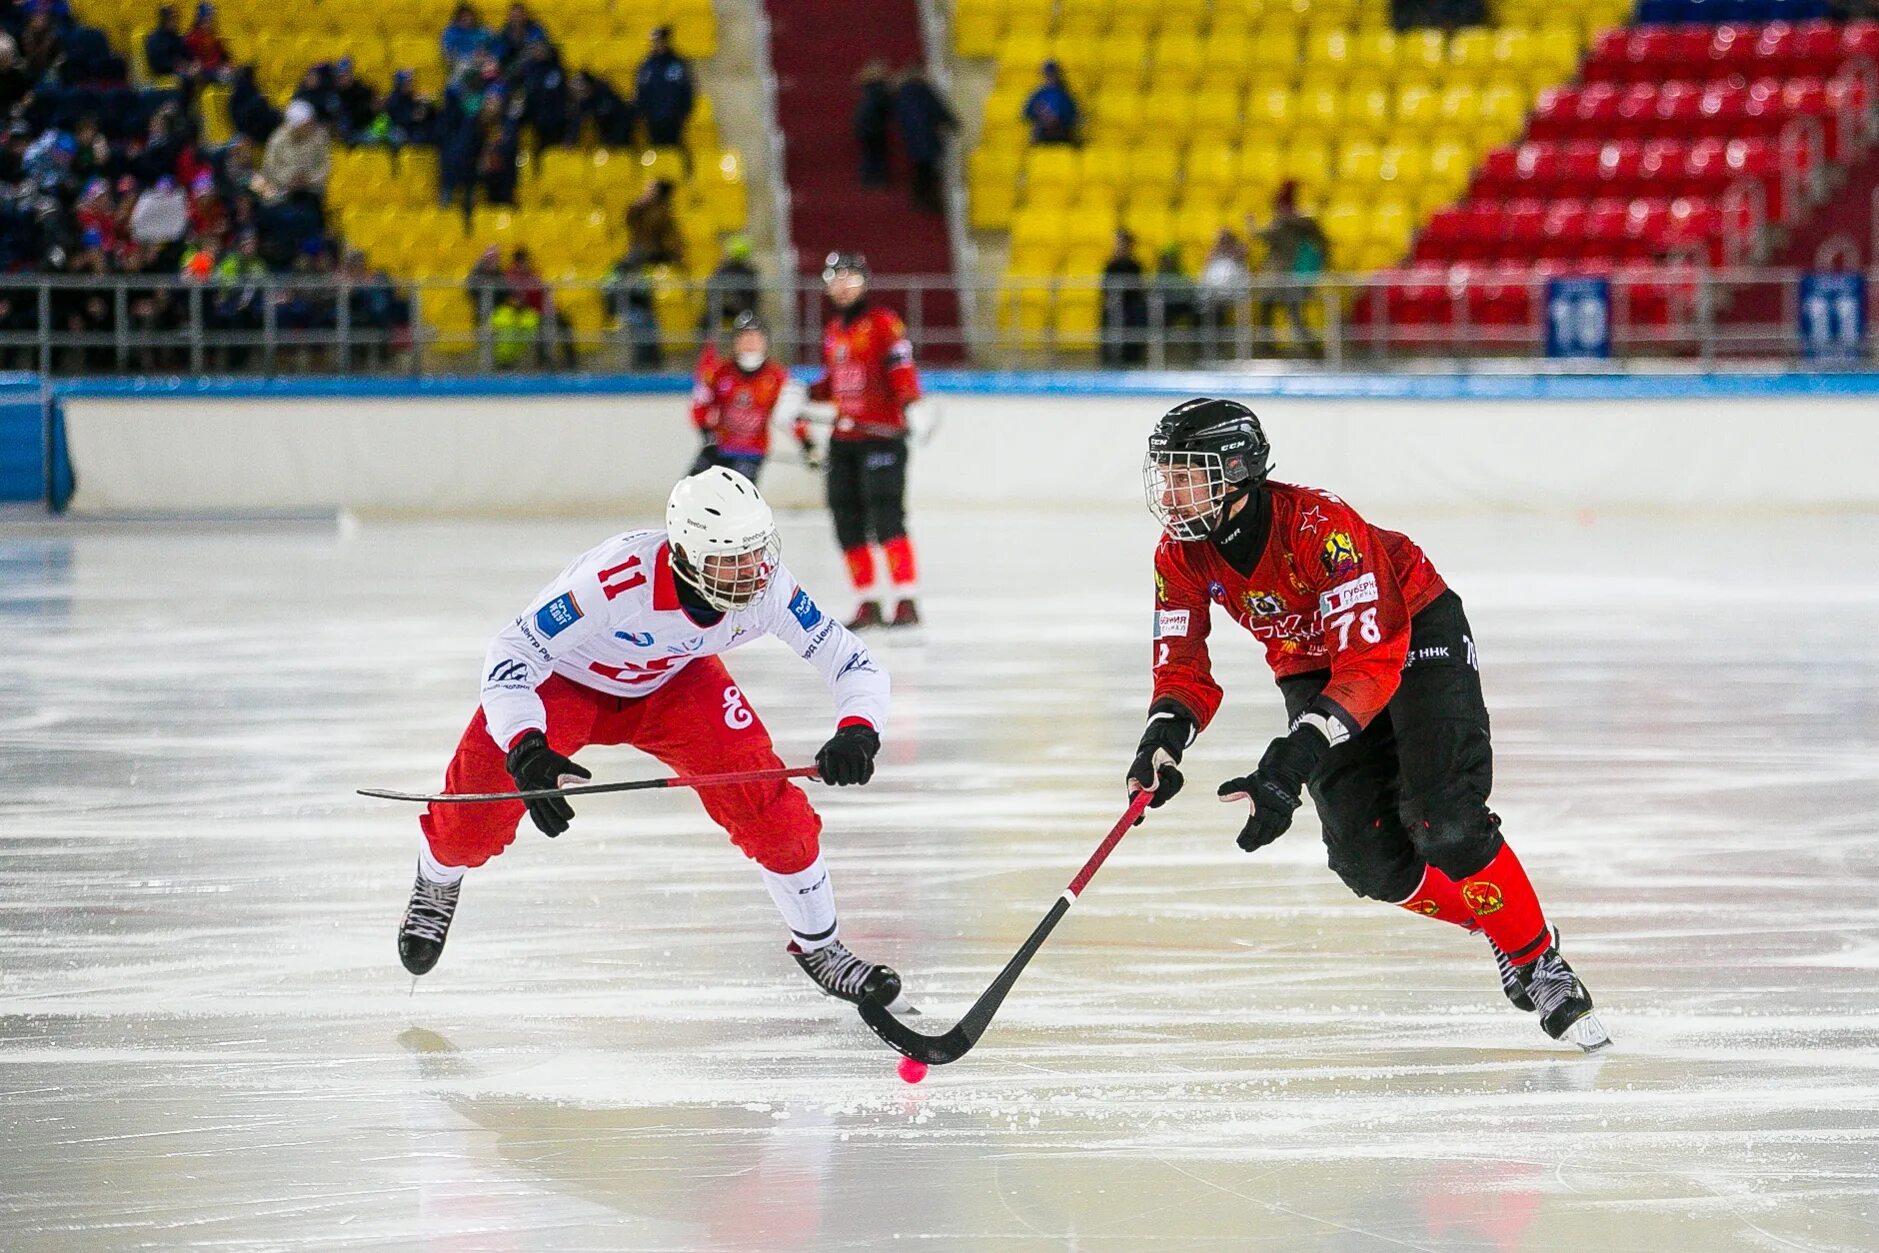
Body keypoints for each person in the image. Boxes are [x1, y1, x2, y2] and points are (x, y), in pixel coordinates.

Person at [1127, 398, 1610, 1052]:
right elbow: (1182, 663)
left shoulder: (1319, 526)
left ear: (1235, 472)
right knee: (1368, 861)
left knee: (1445, 819)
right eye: (1165, 474)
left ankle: (1535, 959)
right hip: (1313, 661)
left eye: (1185, 474)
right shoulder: (1178, 555)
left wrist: (1297, 752)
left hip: (1408, 631)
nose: (1169, 490)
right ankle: (1502, 925)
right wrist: (1162, 737)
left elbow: (1368, 659)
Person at [396, 467, 912, 1015]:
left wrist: (858, 729)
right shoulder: (613, 581)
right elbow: (511, 654)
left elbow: (851, 661)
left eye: (757, 552)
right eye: (729, 560)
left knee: (770, 811)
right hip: (564, 684)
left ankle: (821, 947)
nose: (751, 574)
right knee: (470, 825)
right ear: (685, 556)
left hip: (673, 682)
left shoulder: (768, 586)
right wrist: (525, 745)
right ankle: (437, 877)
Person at [807, 252, 923, 629]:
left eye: (850, 277)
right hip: (844, 439)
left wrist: (908, 401)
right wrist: (805, 397)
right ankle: (866, 601)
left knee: (887, 514)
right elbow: (833, 383)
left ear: (865, 282)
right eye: (834, 278)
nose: (842, 285)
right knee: (846, 519)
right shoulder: (833, 333)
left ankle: (905, 598)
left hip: (882, 437)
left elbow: (900, 369)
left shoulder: (884, 324)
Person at [689, 312, 812, 484]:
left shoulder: (777, 376)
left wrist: (807, 444)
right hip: (719, 448)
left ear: (765, 341)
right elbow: (701, 403)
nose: (750, 342)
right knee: (690, 490)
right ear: (735, 342)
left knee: (736, 501)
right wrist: (706, 432)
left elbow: (789, 415)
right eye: (744, 337)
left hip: (752, 452)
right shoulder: (720, 372)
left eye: (756, 337)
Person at [1251, 181, 1327, 357]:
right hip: (1287, 276)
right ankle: (1271, 346)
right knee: (1284, 312)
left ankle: (1309, 348)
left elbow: (1264, 235)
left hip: (1286, 276)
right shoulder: (1298, 221)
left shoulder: (1289, 221)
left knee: (1287, 312)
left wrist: (1251, 225)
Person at [893, 66, 956, 214]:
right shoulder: (925, 92)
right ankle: (929, 202)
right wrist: (952, 123)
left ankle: (918, 198)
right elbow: (938, 109)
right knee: (928, 171)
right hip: (927, 137)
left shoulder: (902, 95)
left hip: (913, 138)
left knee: (920, 170)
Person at [634, 25, 693, 149]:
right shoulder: (646, 65)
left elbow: (687, 91)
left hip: (673, 120)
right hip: (652, 120)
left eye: (660, 40)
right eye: (654, 41)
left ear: (666, 41)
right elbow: (641, 91)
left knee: (674, 152)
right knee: (656, 153)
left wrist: (681, 113)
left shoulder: (677, 64)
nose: (657, 44)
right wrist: (644, 113)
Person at [1101, 227, 1147, 367]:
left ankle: (1133, 358)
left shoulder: (1135, 265)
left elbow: (1138, 288)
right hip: (1114, 304)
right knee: (1110, 315)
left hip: (1131, 305)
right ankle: (1110, 359)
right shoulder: (1110, 265)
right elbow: (1105, 288)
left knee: (1136, 314)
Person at [853, 60, 893, 188]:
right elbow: (885, 107)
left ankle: (867, 179)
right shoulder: (880, 89)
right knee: (878, 153)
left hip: (863, 124)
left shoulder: (867, 88)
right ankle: (878, 179)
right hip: (875, 125)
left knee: (868, 153)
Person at [1022, 60, 1079, 145]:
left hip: (1061, 132)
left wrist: (1057, 118)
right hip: (1042, 132)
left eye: (1052, 74)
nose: (1050, 77)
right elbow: (1027, 114)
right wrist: (1041, 114)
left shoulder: (1064, 94)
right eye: (1048, 74)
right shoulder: (1038, 94)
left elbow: (1073, 116)